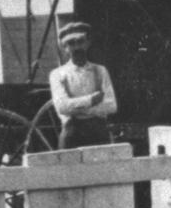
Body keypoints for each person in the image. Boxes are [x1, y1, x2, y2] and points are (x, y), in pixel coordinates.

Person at [49, 20, 119, 148]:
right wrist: (90, 100)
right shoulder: (57, 74)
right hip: (71, 135)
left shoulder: (100, 71)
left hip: (98, 134)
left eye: (80, 41)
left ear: (88, 43)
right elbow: (62, 107)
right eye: (71, 43)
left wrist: (77, 110)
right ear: (65, 48)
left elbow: (111, 106)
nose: (77, 47)